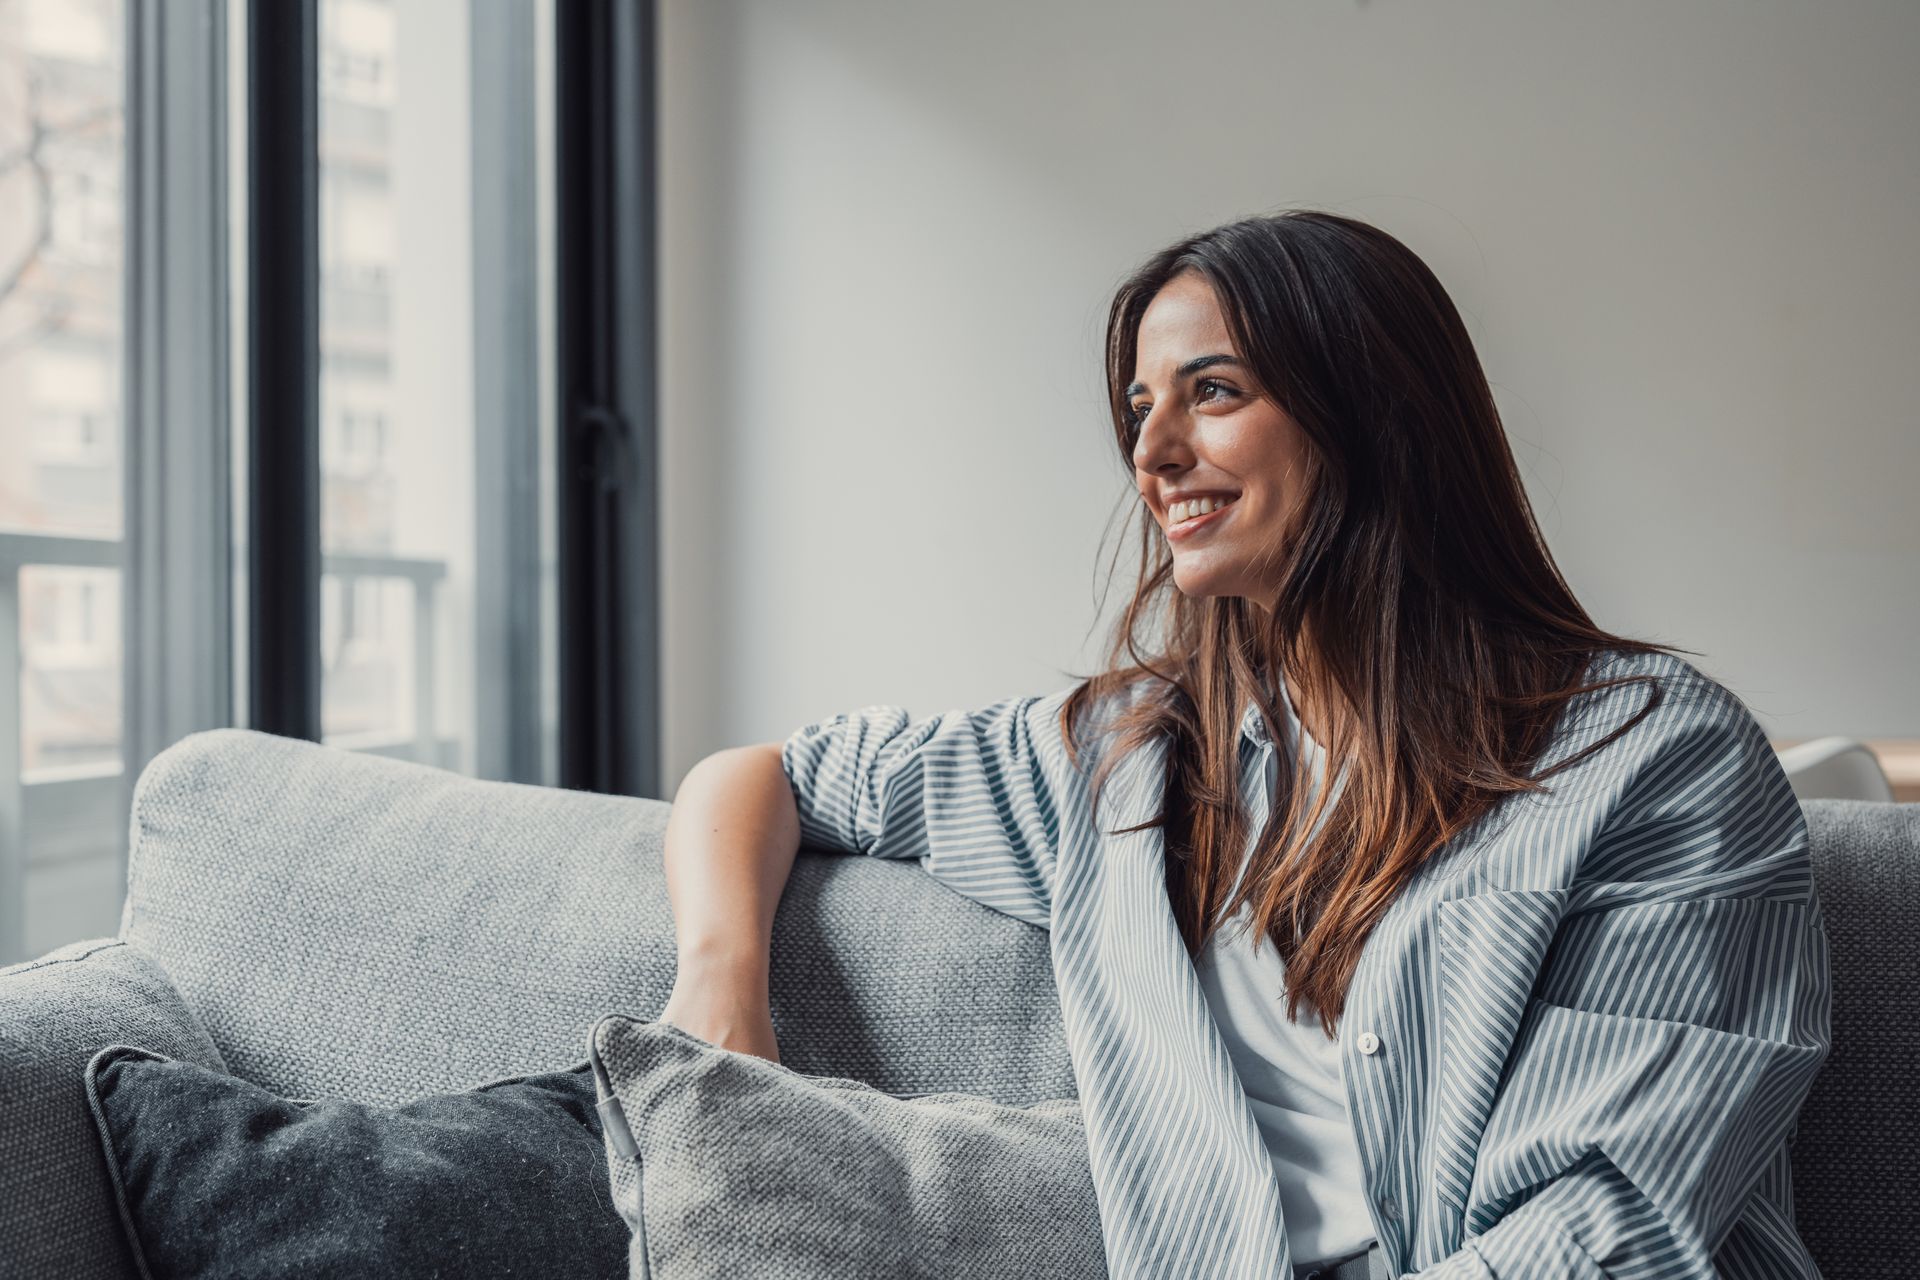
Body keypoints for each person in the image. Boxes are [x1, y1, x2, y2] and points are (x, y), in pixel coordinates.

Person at [656, 210, 1833, 1280]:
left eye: (1210, 391)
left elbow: (1609, 1221)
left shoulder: (1652, 757)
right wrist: (720, 981)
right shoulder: (1128, 763)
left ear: (1373, 418)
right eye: (1137, 407)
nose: (1152, 451)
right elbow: (764, 776)